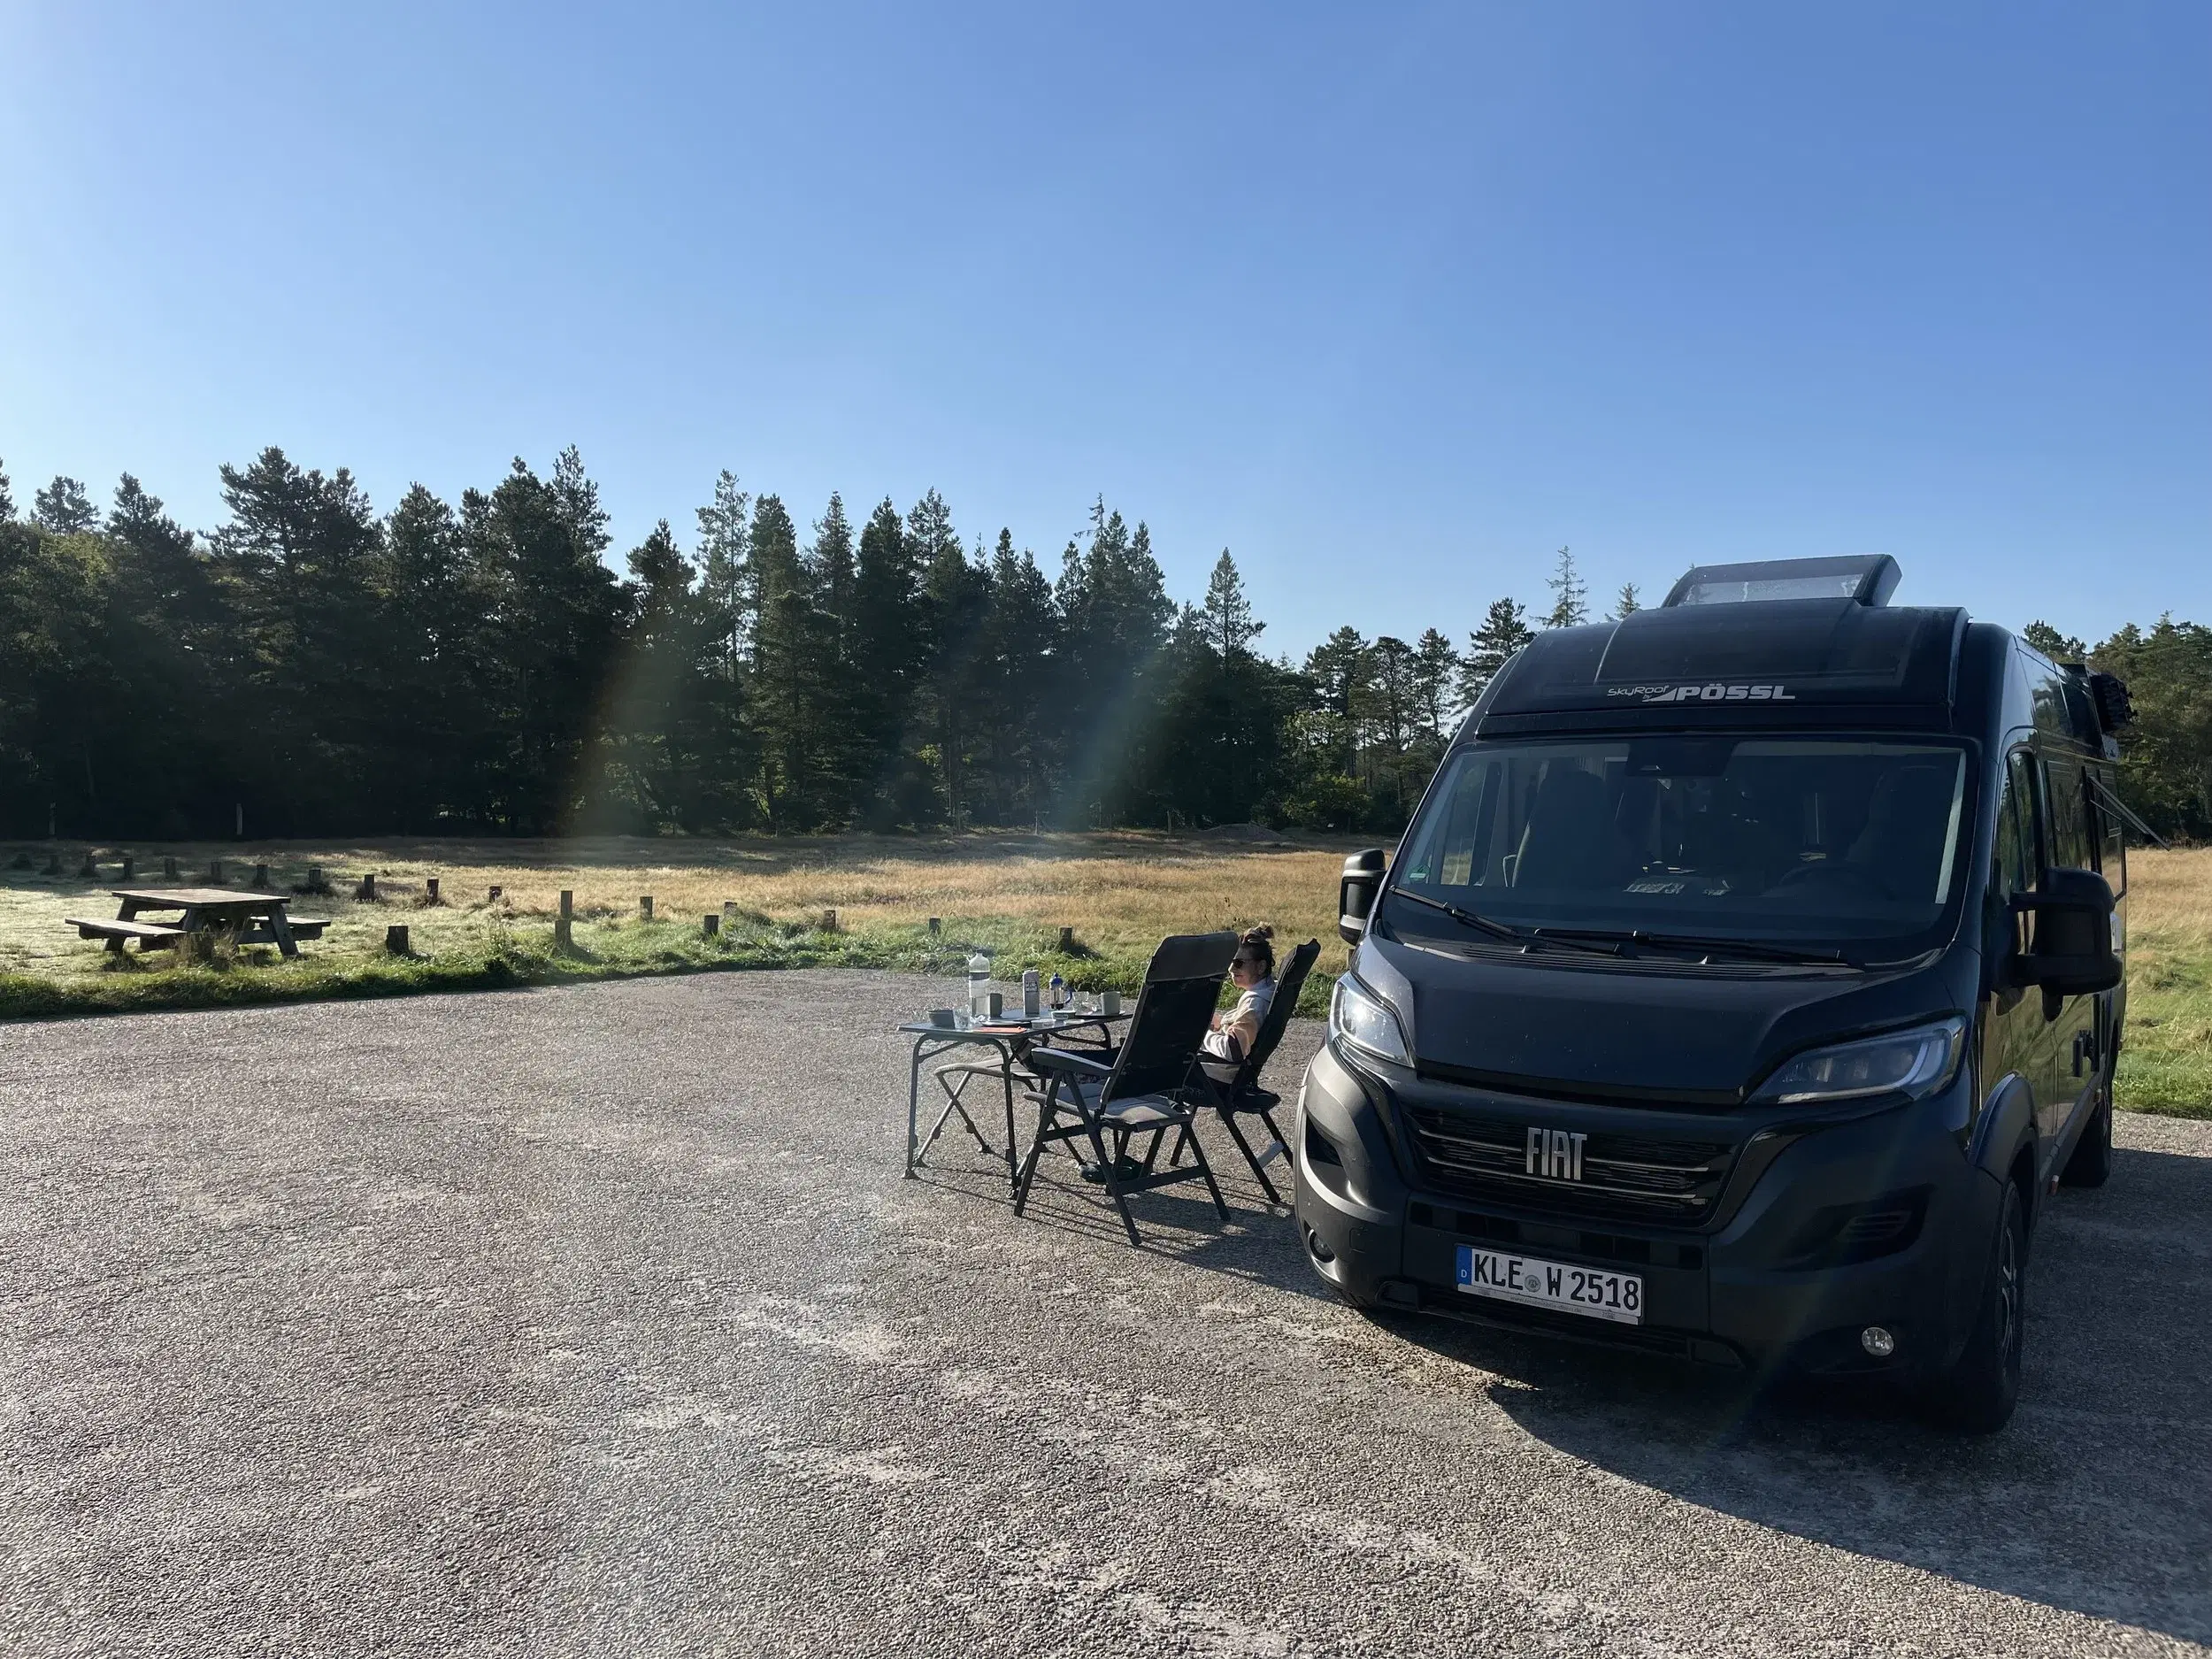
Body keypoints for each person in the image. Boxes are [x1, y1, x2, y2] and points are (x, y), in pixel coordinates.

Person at [1202, 926, 1277, 1076]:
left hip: (1218, 1074)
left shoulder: (1255, 1003)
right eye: (1231, 961)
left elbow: (1233, 1050)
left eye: (1238, 963)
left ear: (1261, 966)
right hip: (1233, 1072)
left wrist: (1203, 1036)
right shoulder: (1269, 991)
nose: (1230, 969)